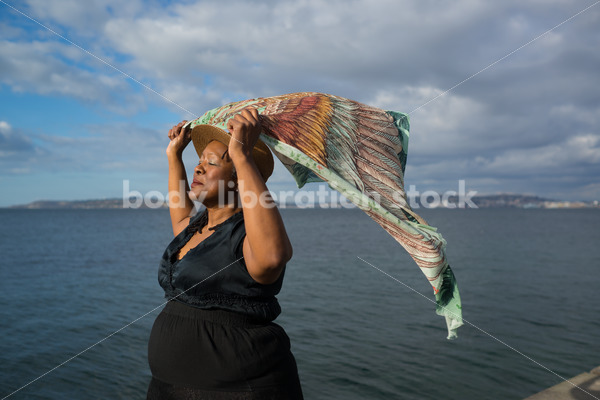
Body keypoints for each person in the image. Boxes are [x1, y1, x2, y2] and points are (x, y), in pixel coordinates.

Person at [146, 107, 304, 399]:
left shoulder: (247, 237)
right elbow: (179, 208)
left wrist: (242, 154)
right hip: (167, 389)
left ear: (237, 179)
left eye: (212, 162)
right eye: (198, 161)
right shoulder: (195, 230)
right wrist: (174, 156)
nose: (198, 168)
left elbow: (272, 257)